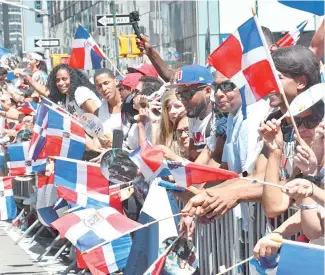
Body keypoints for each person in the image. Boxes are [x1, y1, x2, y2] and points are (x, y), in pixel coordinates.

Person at [171, 65, 215, 160]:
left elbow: (213, 161)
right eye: (179, 95)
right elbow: (192, 156)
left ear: (207, 91)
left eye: (187, 94)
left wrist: (174, 158)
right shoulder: (193, 116)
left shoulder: (218, 117)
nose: (183, 100)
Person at [21, 64, 101, 116]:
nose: (61, 83)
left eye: (64, 79)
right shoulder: (66, 96)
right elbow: (46, 91)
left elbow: (97, 116)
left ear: (72, 79)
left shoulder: (80, 92)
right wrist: (29, 79)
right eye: (57, 80)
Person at [94, 68, 127, 137]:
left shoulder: (130, 105)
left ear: (116, 81)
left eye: (106, 83)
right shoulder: (98, 113)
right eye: (99, 86)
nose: (103, 88)